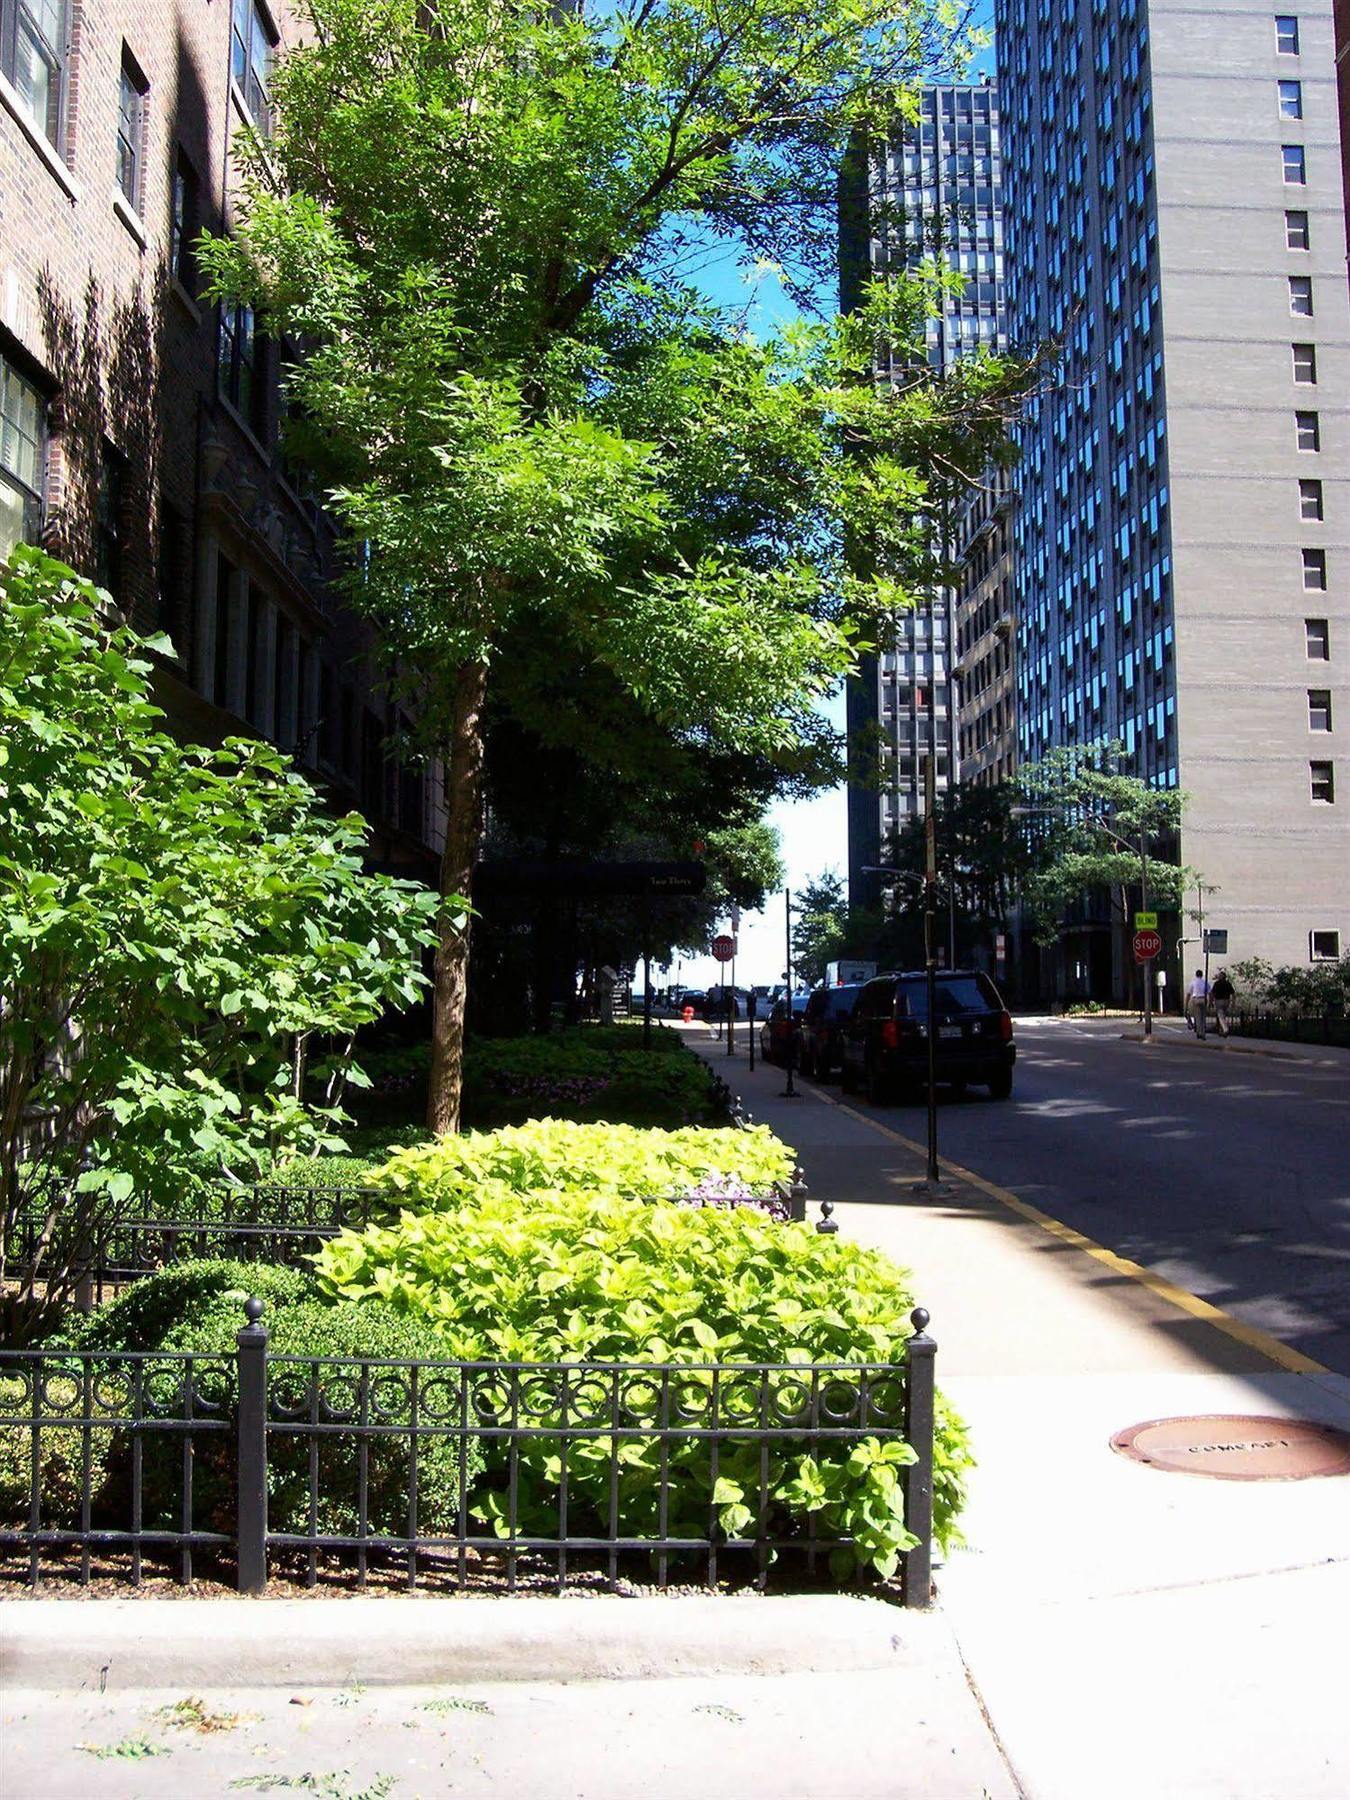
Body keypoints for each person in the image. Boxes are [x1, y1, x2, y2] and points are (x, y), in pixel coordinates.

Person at [1186, 968, 1210, 1039]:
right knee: (1203, 1016)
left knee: (1198, 1016)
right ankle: (1203, 1032)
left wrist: (1186, 1003)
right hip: (1203, 999)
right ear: (1202, 975)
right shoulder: (1205, 982)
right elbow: (1210, 992)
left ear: (1196, 975)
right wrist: (1210, 1001)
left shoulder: (1193, 982)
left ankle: (1199, 1032)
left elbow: (1188, 994)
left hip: (1196, 999)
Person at [1211, 968, 1235, 1037]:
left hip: (1218, 1001)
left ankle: (1225, 1029)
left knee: (1220, 1016)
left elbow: (1212, 993)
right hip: (1226, 1001)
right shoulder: (1228, 983)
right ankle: (1221, 1031)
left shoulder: (1216, 983)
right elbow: (1233, 993)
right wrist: (1233, 1002)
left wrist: (1211, 1001)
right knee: (1223, 1015)